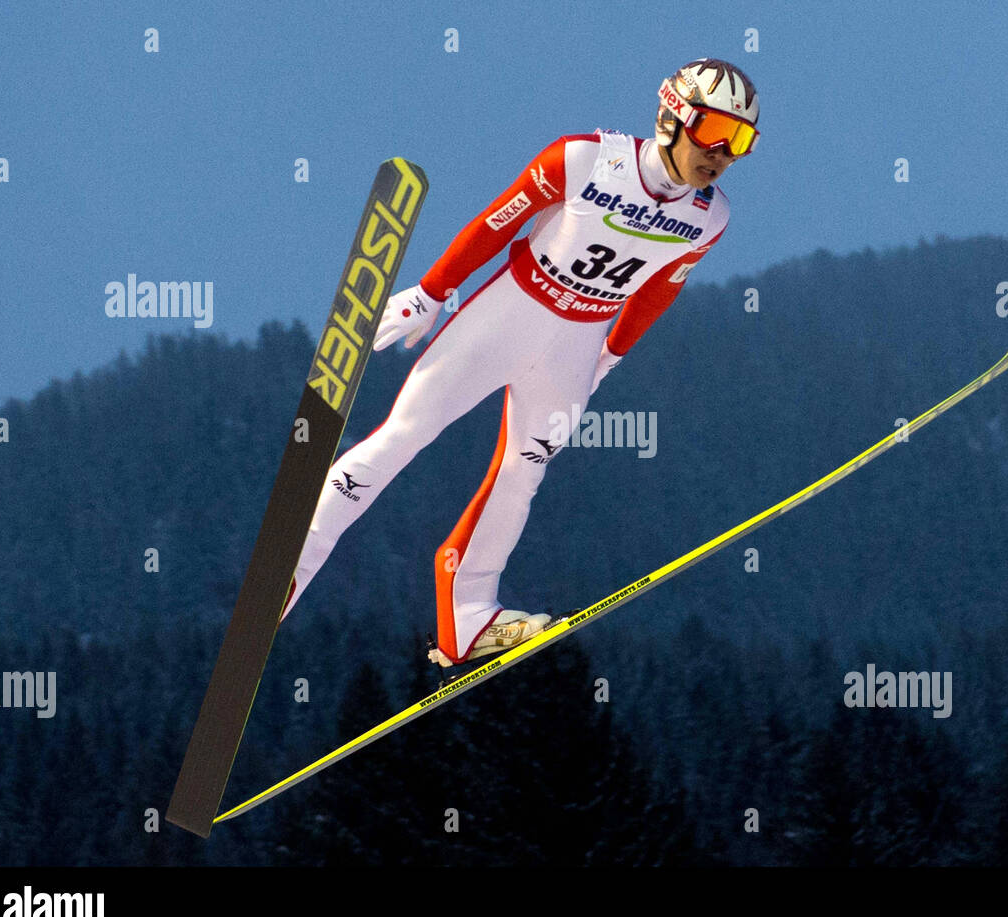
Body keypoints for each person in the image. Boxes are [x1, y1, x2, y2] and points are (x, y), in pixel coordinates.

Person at [281, 57, 760, 667]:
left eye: (741, 141)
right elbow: (493, 221)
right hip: (510, 314)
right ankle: (291, 568)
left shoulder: (708, 218)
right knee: (406, 435)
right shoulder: (584, 159)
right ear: (673, 116)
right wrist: (430, 294)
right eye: (716, 130)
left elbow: (659, 290)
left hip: (576, 345)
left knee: (525, 469)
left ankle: (468, 615)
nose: (723, 152)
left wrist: (609, 358)